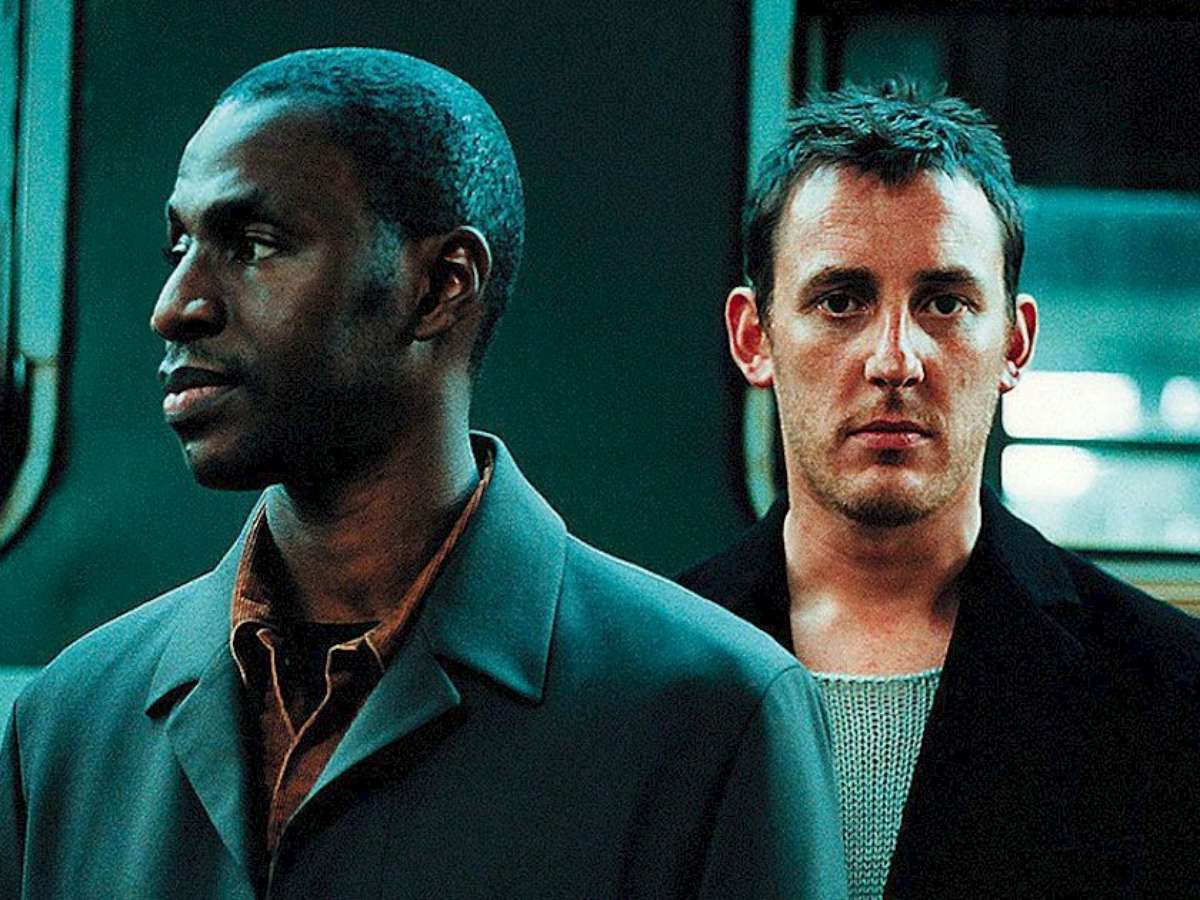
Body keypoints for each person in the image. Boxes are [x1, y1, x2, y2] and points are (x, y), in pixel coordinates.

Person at [0, 48, 848, 900]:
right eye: (179, 245)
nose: (176, 306)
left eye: (253, 246)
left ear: (441, 287)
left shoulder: (712, 716)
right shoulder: (69, 723)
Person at [678, 80, 1200, 898]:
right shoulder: (654, 667)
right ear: (755, 338)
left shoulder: (1168, 688)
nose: (895, 360)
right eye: (841, 301)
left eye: (946, 303)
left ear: (1015, 344)